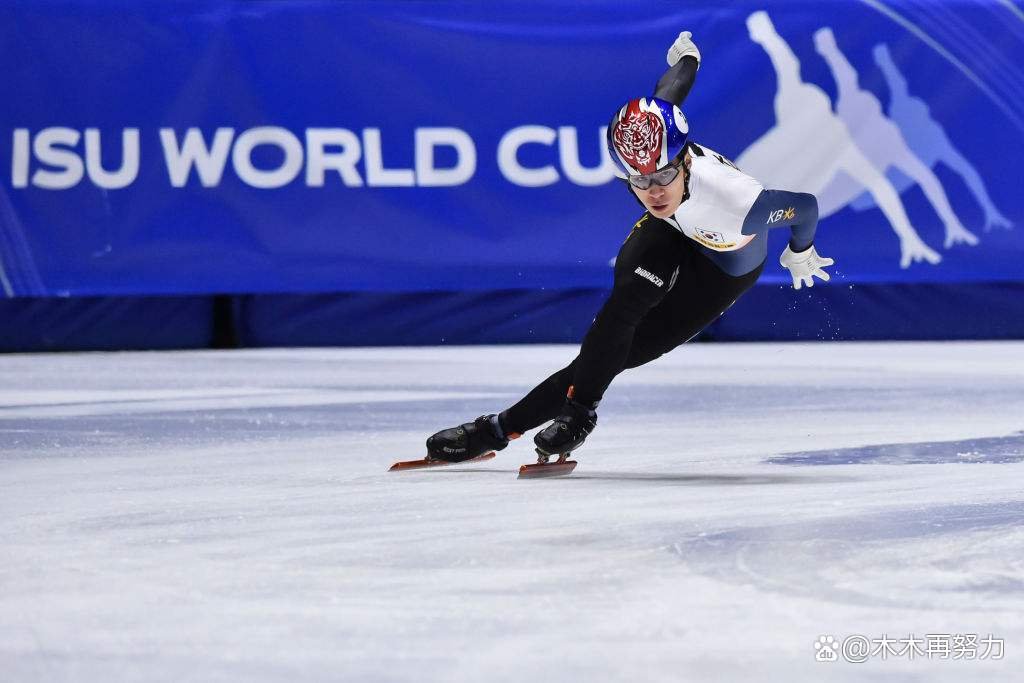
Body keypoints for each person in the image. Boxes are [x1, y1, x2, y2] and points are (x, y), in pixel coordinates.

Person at [424, 31, 834, 466]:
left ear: (685, 160)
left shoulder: (738, 203)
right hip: (675, 230)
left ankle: (504, 426)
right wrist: (689, 60)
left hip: (723, 265)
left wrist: (800, 250)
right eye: (638, 181)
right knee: (620, 316)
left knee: (626, 352)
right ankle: (549, 421)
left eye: (661, 178)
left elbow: (804, 207)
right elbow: (668, 92)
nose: (653, 191)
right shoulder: (650, 151)